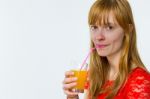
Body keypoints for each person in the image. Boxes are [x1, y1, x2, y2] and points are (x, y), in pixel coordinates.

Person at [62, 0, 150, 99]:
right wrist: (72, 97)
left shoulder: (141, 82)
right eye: (94, 27)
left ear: (128, 30)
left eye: (109, 27)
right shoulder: (94, 76)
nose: (98, 37)